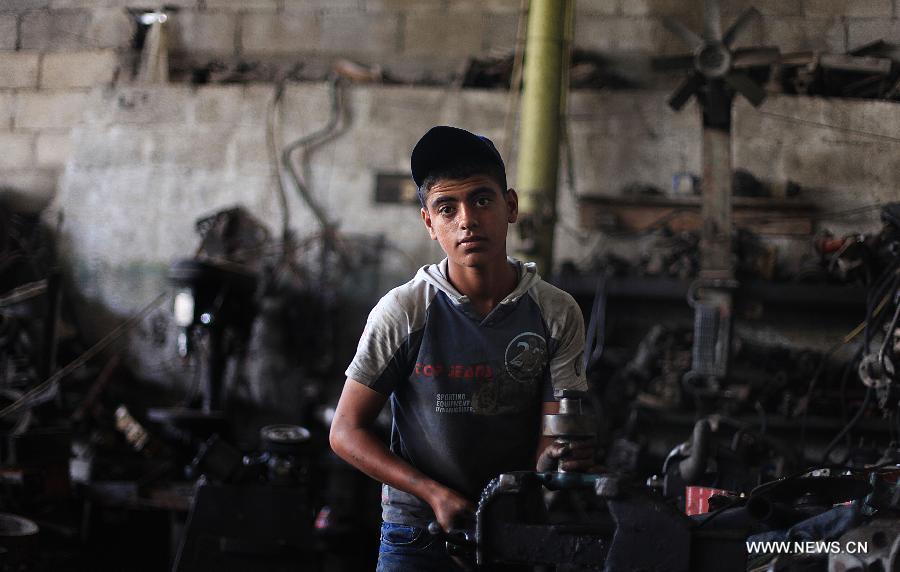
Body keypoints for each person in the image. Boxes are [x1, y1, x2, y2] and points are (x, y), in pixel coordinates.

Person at [329, 126, 593, 571]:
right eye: (447, 208)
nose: (467, 219)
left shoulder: (555, 312)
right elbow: (345, 432)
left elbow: (556, 427)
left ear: (510, 206)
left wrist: (556, 459)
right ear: (430, 223)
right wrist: (432, 494)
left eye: (481, 200)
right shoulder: (404, 312)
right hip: (417, 528)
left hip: (516, 525)